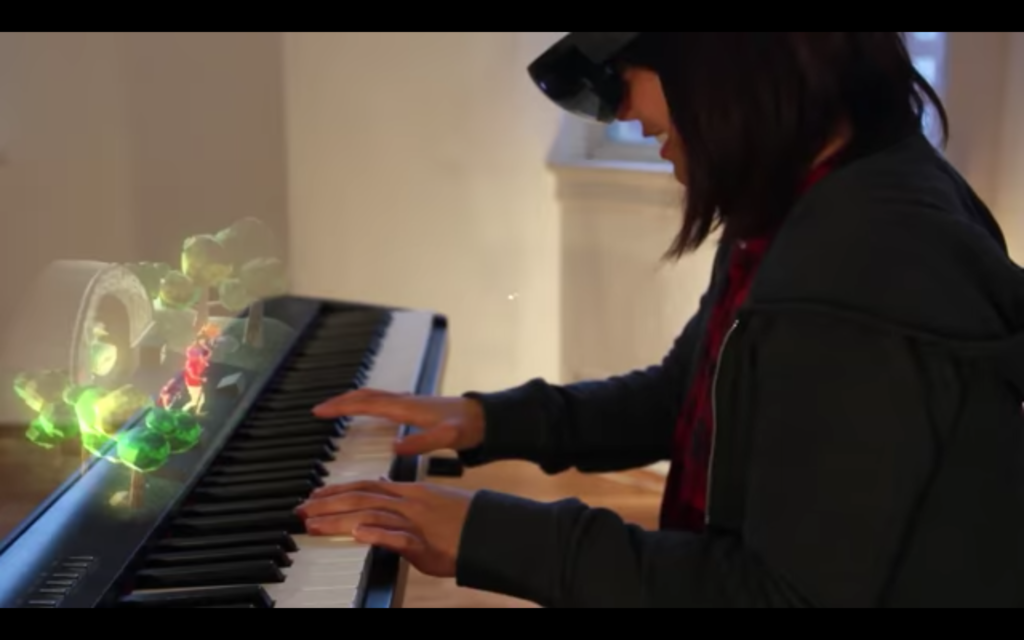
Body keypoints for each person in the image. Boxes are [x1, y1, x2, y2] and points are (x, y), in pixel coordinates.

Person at [295, 32, 1024, 608]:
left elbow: (778, 594)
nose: (623, 116)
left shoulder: (866, 267)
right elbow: (686, 393)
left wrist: (487, 530)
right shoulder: (814, 203)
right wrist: (482, 420)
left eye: (626, 75)